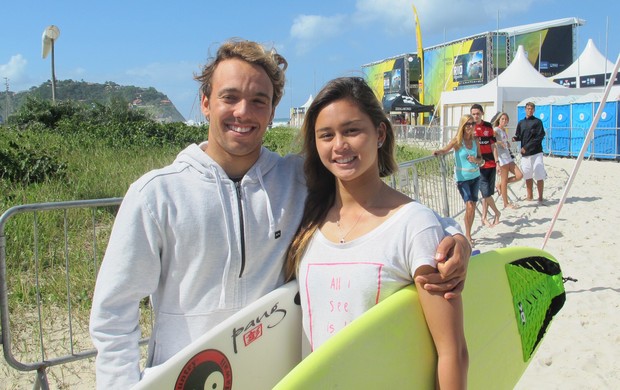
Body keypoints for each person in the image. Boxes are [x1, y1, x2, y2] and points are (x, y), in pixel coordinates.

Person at [89, 39, 470, 389]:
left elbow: (389, 212)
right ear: (206, 102)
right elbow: (113, 313)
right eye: (230, 97)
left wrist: (456, 237)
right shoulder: (157, 194)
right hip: (184, 378)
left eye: (259, 100)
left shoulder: (297, 179)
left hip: (276, 380)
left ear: (273, 110)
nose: (244, 111)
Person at [285, 77, 468, 389]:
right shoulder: (309, 221)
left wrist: (460, 238)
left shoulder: (414, 225)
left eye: (352, 130)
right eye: (326, 135)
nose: (339, 145)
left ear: (380, 133)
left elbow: (452, 352)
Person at [434, 115, 483, 245]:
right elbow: (445, 149)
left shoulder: (475, 140)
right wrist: (438, 152)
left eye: (472, 124)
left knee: (472, 207)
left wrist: (475, 160)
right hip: (462, 179)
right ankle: (467, 235)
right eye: (468, 124)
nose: (470, 127)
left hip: (475, 176)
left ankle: (468, 233)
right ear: (462, 125)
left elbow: (481, 159)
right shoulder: (457, 141)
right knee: (470, 205)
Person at [471, 104, 501, 227]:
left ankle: (484, 217)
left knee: (487, 193)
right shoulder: (470, 128)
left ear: (482, 113)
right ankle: (497, 212)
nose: (475, 116)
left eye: (477, 113)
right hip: (479, 164)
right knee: (485, 193)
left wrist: (497, 162)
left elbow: (493, 146)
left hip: (491, 164)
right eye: (473, 114)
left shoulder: (488, 127)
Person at [513, 102, 546, 203]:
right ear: (525, 109)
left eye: (531, 109)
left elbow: (540, 137)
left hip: (536, 153)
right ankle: (529, 195)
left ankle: (540, 197)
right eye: (528, 108)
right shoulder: (521, 123)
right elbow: (519, 135)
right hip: (525, 155)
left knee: (539, 173)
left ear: (534, 110)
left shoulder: (538, 122)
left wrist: (527, 147)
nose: (530, 110)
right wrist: (515, 138)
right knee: (527, 174)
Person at [493, 112, 523, 209]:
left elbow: (504, 141)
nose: (504, 121)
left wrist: (507, 143)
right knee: (505, 180)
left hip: (508, 157)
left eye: (506, 119)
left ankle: (500, 184)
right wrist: (499, 142)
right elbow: (490, 139)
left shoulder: (504, 130)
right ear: (499, 120)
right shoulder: (496, 129)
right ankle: (506, 203)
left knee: (519, 175)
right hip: (502, 158)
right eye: (502, 119)